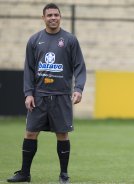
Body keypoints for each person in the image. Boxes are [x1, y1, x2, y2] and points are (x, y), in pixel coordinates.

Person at [7, 3, 86, 184]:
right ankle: (24, 173)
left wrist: (78, 89)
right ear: (43, 18)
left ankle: (63, 175)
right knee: (30, 133)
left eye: (56, 15)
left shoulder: (70, 40)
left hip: (61, 96)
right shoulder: (35, 40)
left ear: (60, 17)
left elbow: (80, 67)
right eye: (49, 15)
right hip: (39, 95)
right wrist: (29, 93)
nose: (53, 18)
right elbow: (28, 69)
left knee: (62, 134)